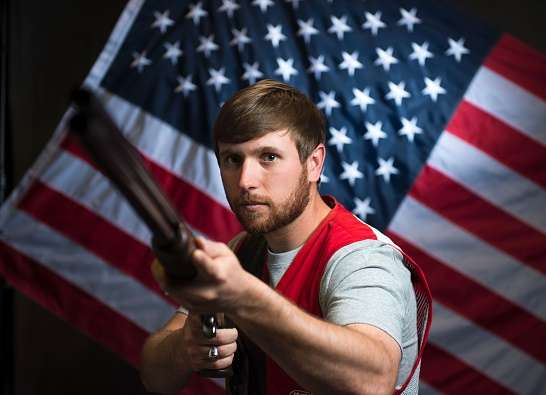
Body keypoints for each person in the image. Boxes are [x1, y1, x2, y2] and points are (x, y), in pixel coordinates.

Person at [140, 79, 430, 395]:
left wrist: (242, 296)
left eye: (268, 157)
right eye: (232, 160)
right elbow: (154, 377)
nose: (246, 181)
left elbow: (371, 384)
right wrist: (185, 348)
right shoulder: (243, 251)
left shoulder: (361, 257)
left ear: (313, 164)